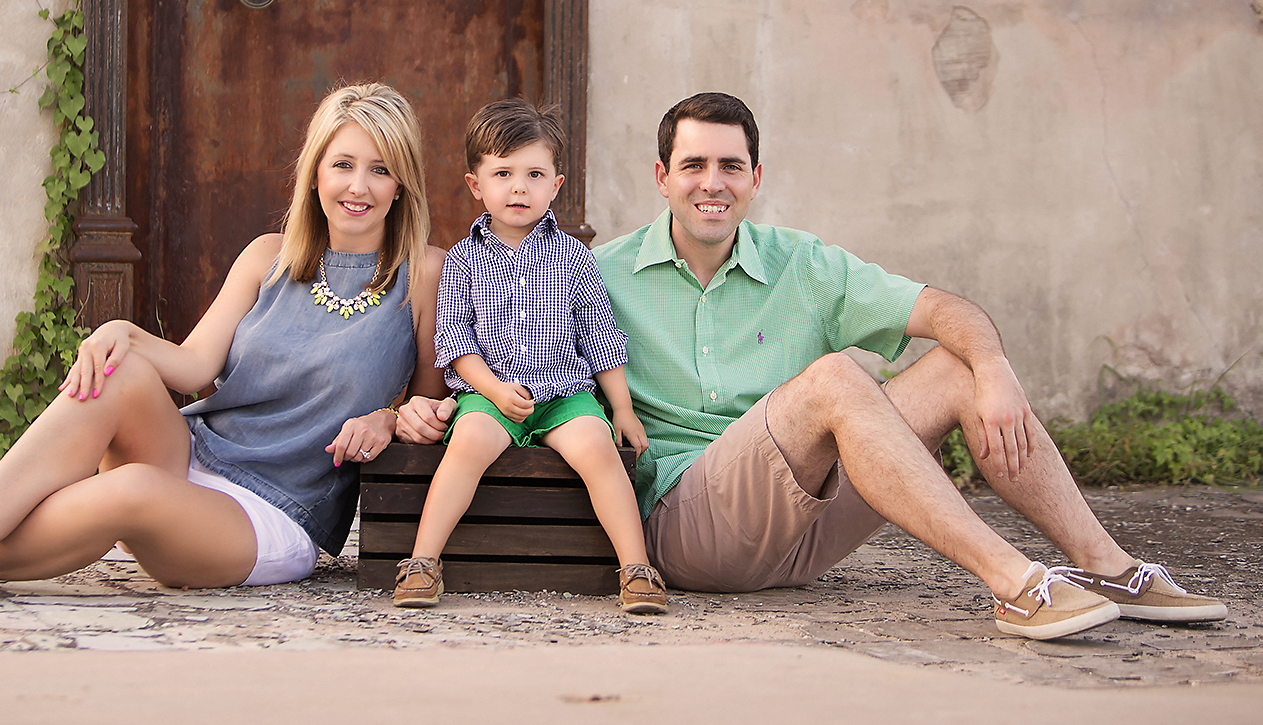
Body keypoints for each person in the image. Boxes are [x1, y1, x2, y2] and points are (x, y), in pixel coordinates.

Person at [397, 92, 1228, 640]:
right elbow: (507, 339)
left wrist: (996, 366)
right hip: (698, 525)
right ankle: (1015, 583)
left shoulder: (805, 264)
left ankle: (1114, 571)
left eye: (730, 166)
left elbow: (946, 312)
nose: (711, 183)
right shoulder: (596, 271)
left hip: (814, 520)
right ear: (662, 177)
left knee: (954, 363)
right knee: (839, 378)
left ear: (755, 179)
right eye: (693, 165)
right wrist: (426, 404)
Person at [0, 82, 447, 607]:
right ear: (315, 175)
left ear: (401, 185)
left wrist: (388, 417)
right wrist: (120, 333)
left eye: (379, 170)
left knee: (133, 488)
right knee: (116, 368)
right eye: (343, 165)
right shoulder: (268, 257)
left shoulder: (423, 273)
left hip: (272, 516)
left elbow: (431, 402)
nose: (358, 186)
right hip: (192, 455)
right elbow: (194, 366)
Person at [391, 100, 667, 614]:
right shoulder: (461, 260)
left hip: (563, 396)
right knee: (468, 443)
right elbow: (457, 347)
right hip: (490, 395)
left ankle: (636, 569)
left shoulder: (574, 257)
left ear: (555, 185)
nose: (519, 187)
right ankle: (423, 561)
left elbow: (601, 338)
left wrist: (622, 409)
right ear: (477, 184)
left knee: (599, 449)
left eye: (534, 174)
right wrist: (495, 391)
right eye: (503, 173)